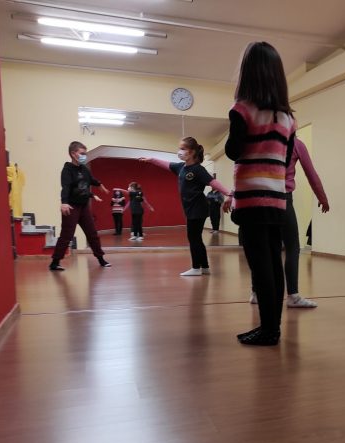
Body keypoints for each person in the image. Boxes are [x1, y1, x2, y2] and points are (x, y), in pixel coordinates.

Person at [226, 41, 296, 346]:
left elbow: (233, 151)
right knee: (273, 262)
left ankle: (268, 330)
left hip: (252, 198)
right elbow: (286, 158)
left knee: (260, 265)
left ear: (248, 72)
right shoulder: (288, 118)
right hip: (277, 200)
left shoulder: (242, 109)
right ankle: (272, 327)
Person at [248, 136, 330, 308]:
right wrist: (322, 197)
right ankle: (293, 295)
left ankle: (256, 293)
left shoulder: (262, 141)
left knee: (263, 247)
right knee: (293, 247)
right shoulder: (296, 144)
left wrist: (235, 196)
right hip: (283, 199)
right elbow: (311, 173)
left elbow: (248, 170)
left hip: (260, 199)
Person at [140, 138, 232, 275]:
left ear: (192, 152)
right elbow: (165, 164)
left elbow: (213, 182)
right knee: (196, 238)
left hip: (198, 207)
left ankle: (196, 268)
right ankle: (205, 267)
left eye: (183, 149)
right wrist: (151, 159)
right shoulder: (181, 167)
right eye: (180, 148)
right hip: (190, 208)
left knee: (193, 238)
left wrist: (229, 194)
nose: (180, 151)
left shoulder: (198, 169)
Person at [49, 141, 111, 271]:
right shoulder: (67, 170)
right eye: (82, 153)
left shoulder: (84, 169)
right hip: (71, 207)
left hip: (83, 207)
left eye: (85, 153)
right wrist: (64, 202)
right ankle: (55, 262)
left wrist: (100, 185)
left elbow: (91, 180)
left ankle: (101, 259)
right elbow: (65, 187)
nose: (84, 156)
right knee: (67, 235)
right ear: (73, 154)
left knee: (92, 233)